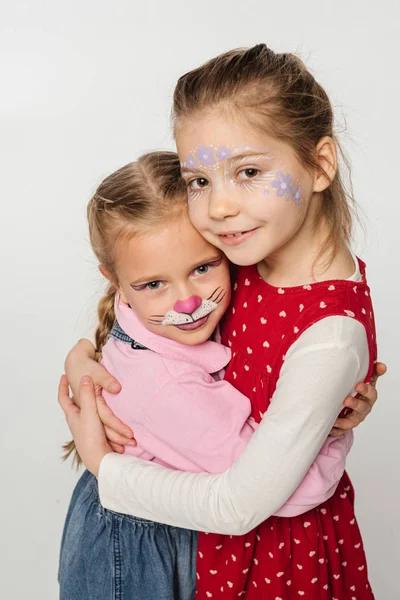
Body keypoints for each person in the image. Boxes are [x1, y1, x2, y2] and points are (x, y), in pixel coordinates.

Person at [60, 45, 386, 599]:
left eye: (249, 172)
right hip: (184, 535)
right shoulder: (243, 254)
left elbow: (237, 503)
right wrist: (84, 358)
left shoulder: (326, 334)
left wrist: (100, 463)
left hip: (264, 551)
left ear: (320, 165)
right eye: (199, 180)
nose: (217, 208)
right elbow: (146, 290)